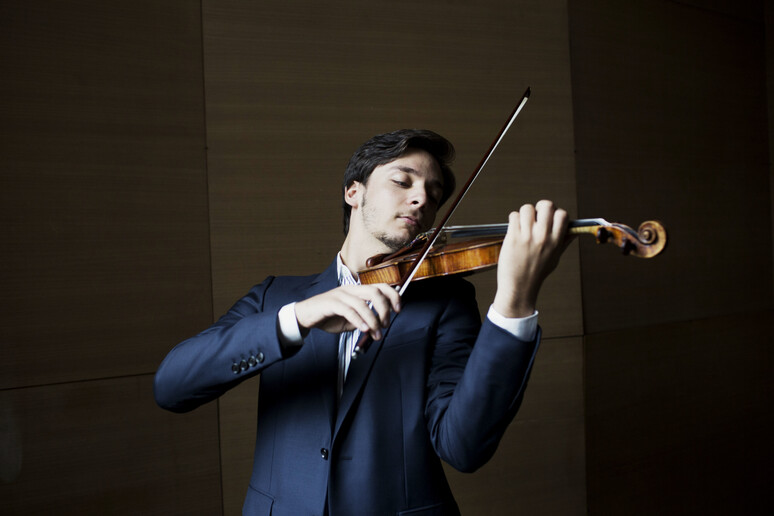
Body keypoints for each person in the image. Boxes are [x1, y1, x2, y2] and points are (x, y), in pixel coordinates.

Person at [154, 129, 570, 516]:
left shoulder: (446, 303)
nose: (422, 198)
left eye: (434, 192)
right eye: (403, 181)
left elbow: (464, 446)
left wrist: (515, 300)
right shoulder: (276, 297)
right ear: (354, 192)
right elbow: (172, 385)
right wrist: (298, 319)